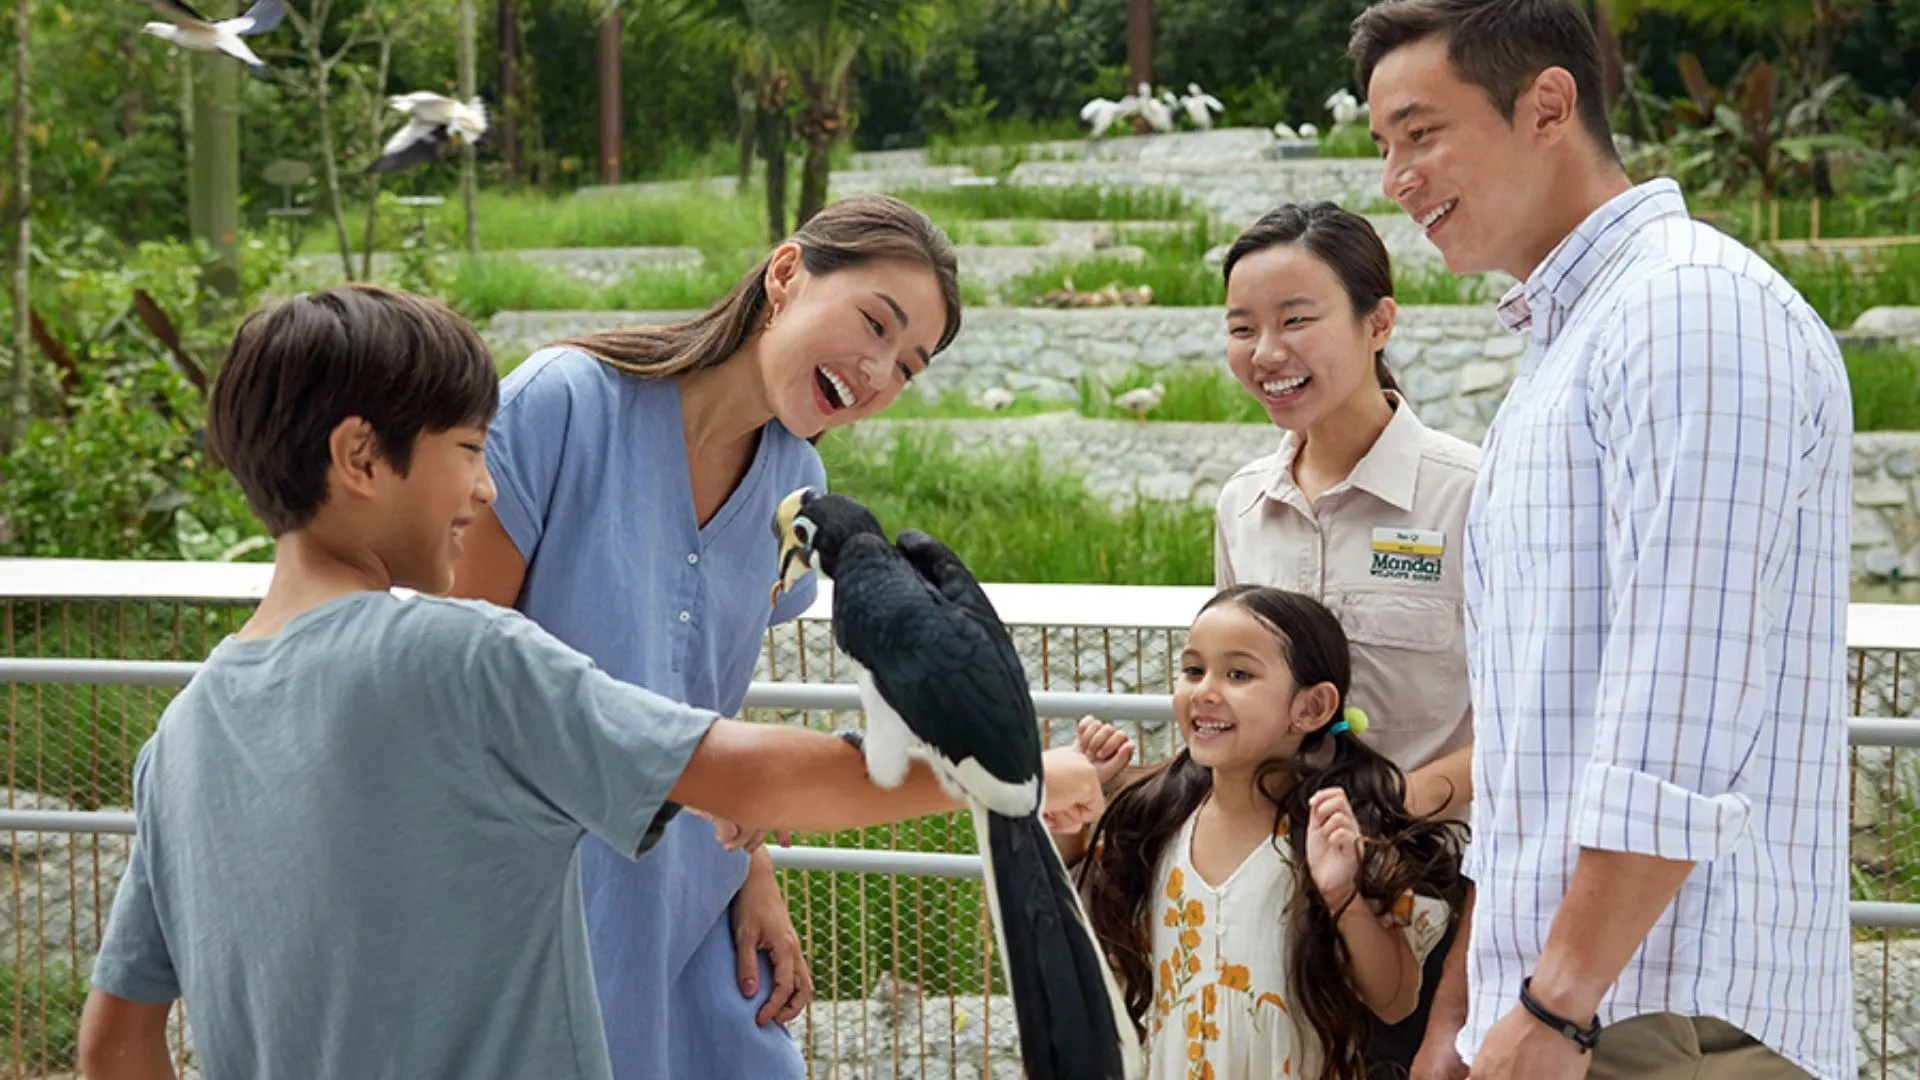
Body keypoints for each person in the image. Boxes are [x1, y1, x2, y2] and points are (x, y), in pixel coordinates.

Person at [75, 284, 1106, 1080]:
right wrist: (1009, 776)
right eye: (472, 450)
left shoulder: (184, 733)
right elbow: (745, 780)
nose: (488, 486)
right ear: (360, 456)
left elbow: (115, 1043)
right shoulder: (459, 653)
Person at [1353, 1, 1854, 1078]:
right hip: (1579, 1004)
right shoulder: (1579, 340)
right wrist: (1471, 1006)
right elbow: (1545, 740)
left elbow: (1683, 698)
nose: (1396, 177)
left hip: (1665, 1017)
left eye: (1420, 131)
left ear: (1547, 104)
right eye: (1383, 145)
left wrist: (1558, 1001)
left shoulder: (1690, 310)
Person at [447, 194, 965, 1080]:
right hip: (535, 894)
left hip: (690, 894)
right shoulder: (560, 404)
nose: (878, 374)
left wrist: (751, 864)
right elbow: (455, 671)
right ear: (788, 274)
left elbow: (706, 693)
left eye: (908, 366)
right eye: (875, 325)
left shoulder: (799, 482)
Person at [1208, 200, 1481, 1078]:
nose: (1268, 353)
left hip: (1429, 897)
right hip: (1274, 898)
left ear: (1379, 322)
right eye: (1243, 327)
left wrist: (1392, 802)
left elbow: (1547, 722)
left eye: (1297, 320)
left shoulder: (1472, 496)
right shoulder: (1242, 504)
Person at [1064, 586, 1466, 1080]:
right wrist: (1072, 816)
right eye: (1194, 670)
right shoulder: (1153, 822)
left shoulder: (1338, 836)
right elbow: (1080, 933)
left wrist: (1343, 893)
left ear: (1312, 708)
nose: (1205, 690)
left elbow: (1395, 1001)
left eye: (1238, 674)